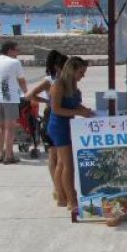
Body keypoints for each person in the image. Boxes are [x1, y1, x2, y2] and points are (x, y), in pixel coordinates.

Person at [47, 57, 95, 212]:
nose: (83, 75)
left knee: (62, 163)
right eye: (81, 72)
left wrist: (84, 110)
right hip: (59, 126)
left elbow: (74, 103)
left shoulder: (73, 85)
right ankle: (71, 200)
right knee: (68, 164)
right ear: (72, 70)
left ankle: (62, 196)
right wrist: (79, 112)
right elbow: (56, 109)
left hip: (69, 124)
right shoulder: (58, 84)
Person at [25, 50, 68, 202]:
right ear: (58, 66)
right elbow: (30, 95)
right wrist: (47, 101)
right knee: (55, 155)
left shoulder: (61, 80)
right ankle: (58, 189)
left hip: (57, 114)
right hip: (53, 116)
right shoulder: (50, 80)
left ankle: (59, 189)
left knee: (58, 156)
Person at [0, 41, 28, 165]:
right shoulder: (15, 62)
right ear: (9, 50)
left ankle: (0, 153)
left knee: (0, 127)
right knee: (10, 129)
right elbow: (21, 80)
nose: (18, 52)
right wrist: (25, 91)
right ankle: (9, 156)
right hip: (9, 99)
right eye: (16, 50)